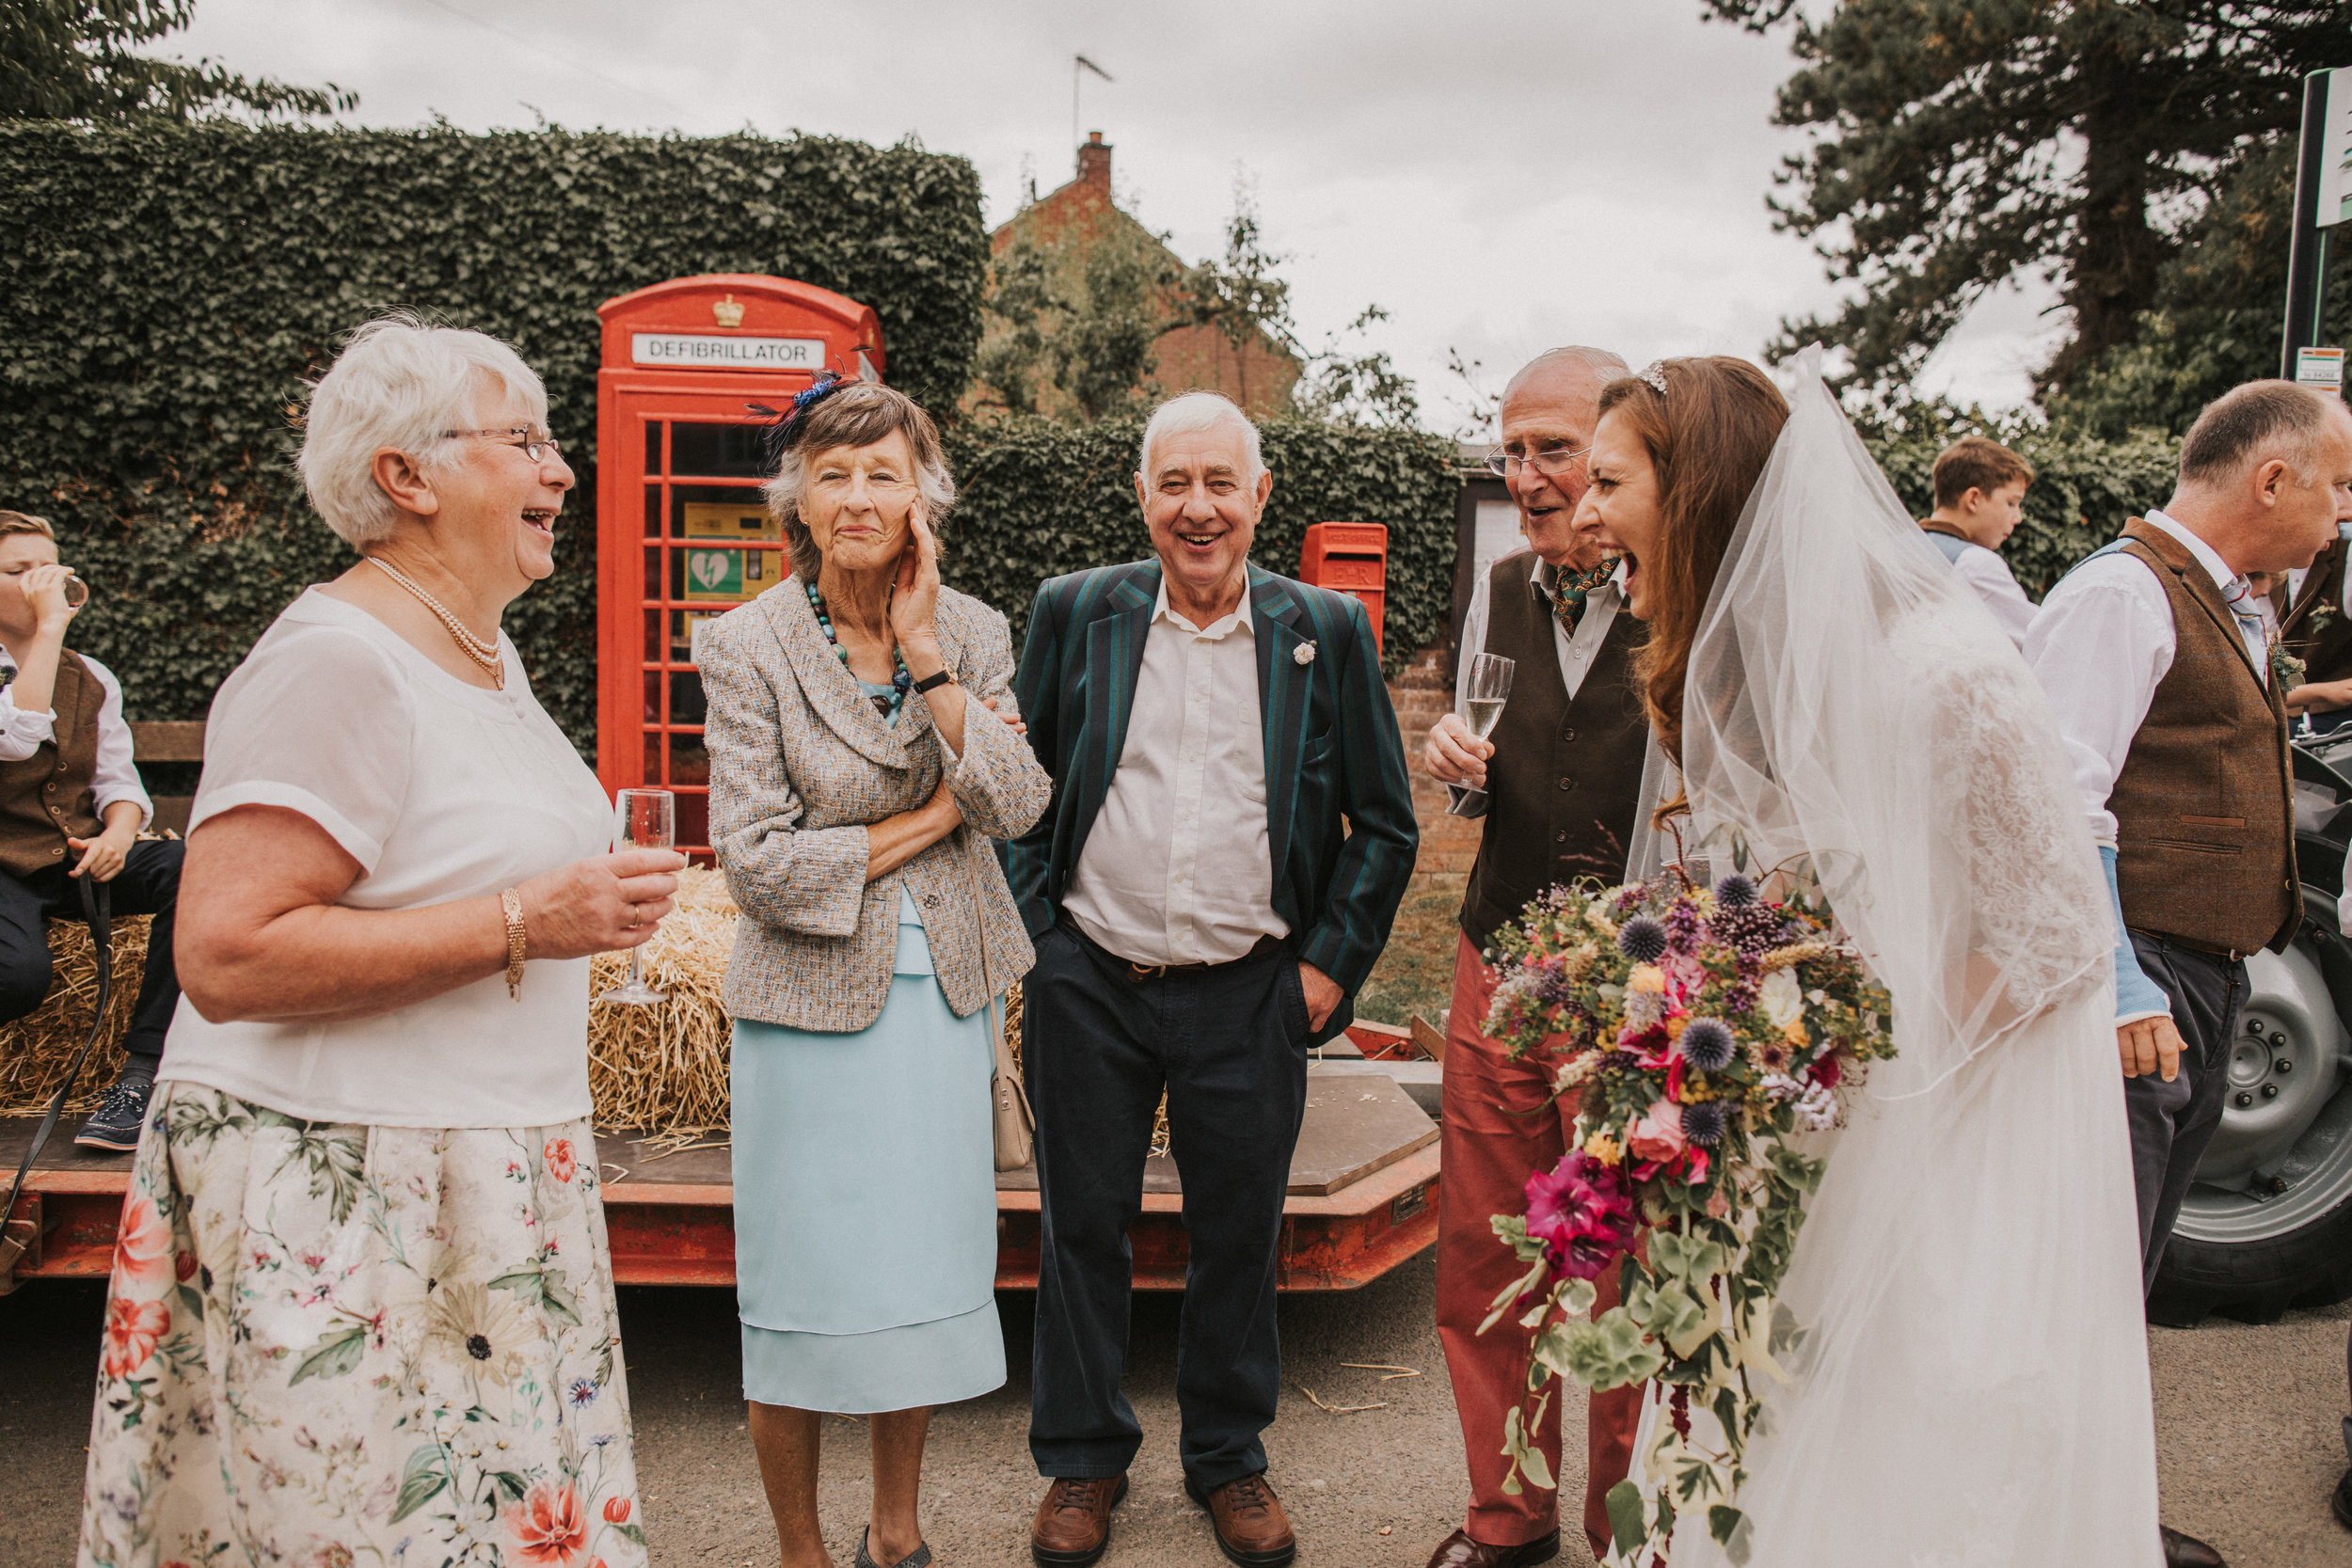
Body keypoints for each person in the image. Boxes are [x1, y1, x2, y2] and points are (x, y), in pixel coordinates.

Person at [76, 315, 683, 1567]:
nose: (560, 467)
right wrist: (533, 917)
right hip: (345, 1196)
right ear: (403, 477)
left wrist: (572, 910)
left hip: (490, 1180)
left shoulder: (484, 649)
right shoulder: (335, 657)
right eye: (522, 438)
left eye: (554, 437)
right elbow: (228, 953)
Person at [1579, 352, 2161, 1565]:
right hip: (1825, 1113)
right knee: (1772, 1433)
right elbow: (1784, 898)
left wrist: (1830, 1047)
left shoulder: (1941, 673)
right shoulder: (1768, 673)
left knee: (1918, 1429)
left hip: (1956, 1133)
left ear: (1692, 490)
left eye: (1606, 481)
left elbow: (2052, 940)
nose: (1583, 516)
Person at [1006, 390, 1417, 1568]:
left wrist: (1327, 970)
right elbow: (1019, 794)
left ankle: (1228, 1456)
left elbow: (1384, 823)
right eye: (1174, 484)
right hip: (1092, 970)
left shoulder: (1324, 629)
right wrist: (1044, 943)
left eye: (1219, 485)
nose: (1198, 509)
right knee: (1082, 1223)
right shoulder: (1075, 610)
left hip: (1253, 986)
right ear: (1142, 494)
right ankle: (1082, 1459)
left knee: (1241, 1229)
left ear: (1258, 497)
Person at [697, 376, 1051, 1568]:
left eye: (882, 473)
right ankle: (800, 1548)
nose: (856, 497)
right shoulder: (744, 642)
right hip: (804, 1013)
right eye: (832, 472)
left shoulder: (976, 629)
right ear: (795, 492)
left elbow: (1015, 803)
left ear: (922, 497)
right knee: (800, 1286)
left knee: (915, 1276)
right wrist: (921, 820)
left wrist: (925, 655)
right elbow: (753, 863)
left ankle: (895, 1532)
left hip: (943, 998)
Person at [2027, 378, 2352, 1568]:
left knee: (2129, 1273)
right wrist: (2119, 985)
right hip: (2143, 979)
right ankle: (2069, 1526)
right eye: (2337, 483)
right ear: (2271, 481)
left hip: (2195, 974)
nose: (2344, 510)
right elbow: (2055, 804)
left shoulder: (2227, 598)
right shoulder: (2121, 592)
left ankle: (2094, 1509)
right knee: (2090, 1276)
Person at [1418, 346, 1651, 1568]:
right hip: (1496, 957)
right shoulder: (1501, 583)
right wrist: (1462, 770)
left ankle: (1628, 1525)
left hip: (1638, 985)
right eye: (1510, 451)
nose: (1527, 475)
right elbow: (1492, 769)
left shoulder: (1685, 592)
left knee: (1623, 1262)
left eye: (1552, 449)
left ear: (1613, 450)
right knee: (1487, 1249)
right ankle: (1505, 1516)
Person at [0, 510, 184, 1151]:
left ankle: (139, 1078)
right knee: (20, 977)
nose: (40, 580)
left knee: (192, 865)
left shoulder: (93, 676)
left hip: (73, 855)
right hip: (3, 863)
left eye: (48, 567)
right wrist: (48, 627)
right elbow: (15, 738)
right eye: (19, 570)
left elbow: (119, 782)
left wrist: (119, 834)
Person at [1916, 435, 2038, 646]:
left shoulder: (1893, 547)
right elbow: (2037, 640)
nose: (2018, 518)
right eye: (2011, 503)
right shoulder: (1974, 564)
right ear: (1974, 499)